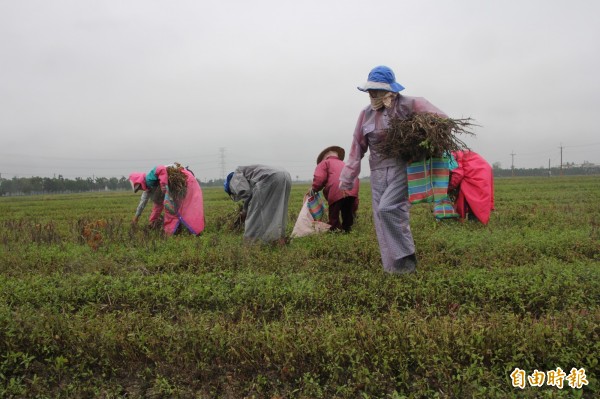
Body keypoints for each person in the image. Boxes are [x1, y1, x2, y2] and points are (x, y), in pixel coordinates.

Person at [339, 65, 447, 274]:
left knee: (388, 209)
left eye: (376, 91)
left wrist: (414, 130)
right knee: (381, 220)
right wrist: (346, 180)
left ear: (390, 90)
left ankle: (407, 259)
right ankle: (393, 269)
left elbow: (441, 121)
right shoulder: (366, 114)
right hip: (377, 173)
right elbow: (356, 147)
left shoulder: (409, 104)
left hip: (402, 168)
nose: (372, 94)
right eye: (370, 91)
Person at [129, 163, 205, 236]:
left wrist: (163, 185)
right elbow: (154, 205)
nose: (140, 189)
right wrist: (150, 220)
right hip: (179, 187)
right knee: (176, 209)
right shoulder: (148, 190)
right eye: (138, 188)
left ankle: (180, 230)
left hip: (185, 181)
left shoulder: (149, 178)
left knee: (182, 208)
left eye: (139, 187)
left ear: (140, 181)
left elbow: (160, 168)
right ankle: (176, 230)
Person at [224, 164, 292, 244]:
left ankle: (250, 243)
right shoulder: (245, 173)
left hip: (270, 177)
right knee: (278, 210)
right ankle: (278, 240)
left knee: (254, 215)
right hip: (285, 175)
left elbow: (246, 194)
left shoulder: (234, 179)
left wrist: (244, 211)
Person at [311, 145, 360, 232]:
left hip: (336, 191)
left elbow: (319, 178)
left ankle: (335, 229)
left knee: (334, 213)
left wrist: (314, 188)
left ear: (325, 157)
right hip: (352, 190)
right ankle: (347, 228)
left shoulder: (325, 163)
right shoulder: (345, 164)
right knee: (347, 211)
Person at [448, 150, 495, 224]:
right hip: (482, 170)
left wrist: (449, 188)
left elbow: (458, 174)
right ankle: (473, 221)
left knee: (474, 199)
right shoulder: (456, 154)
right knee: (475, 198)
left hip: (477, 173)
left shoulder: (451, 158)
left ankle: (474, 222)